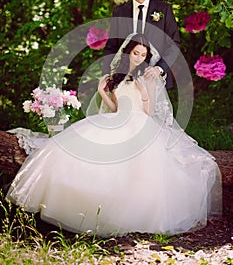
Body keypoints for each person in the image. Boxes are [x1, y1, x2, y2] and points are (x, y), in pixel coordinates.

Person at [6, 34, 222, 237]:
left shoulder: (147, 78)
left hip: (140, 123)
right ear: (127, 53)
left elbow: (148, 111)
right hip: (115, 119)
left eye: (143, 55)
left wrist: (143, 89)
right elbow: (114, 108)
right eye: (136, 53)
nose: (138, 58)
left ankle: (129, 214)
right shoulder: (115, 78)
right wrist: (102, 92)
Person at [103, 0, 180, 89]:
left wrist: (159, 69)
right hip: (124, 78)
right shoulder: (119, 11)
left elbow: (174, 43)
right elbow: (112, 46)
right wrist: (107, 75)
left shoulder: (164, 10)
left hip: (154, 76)